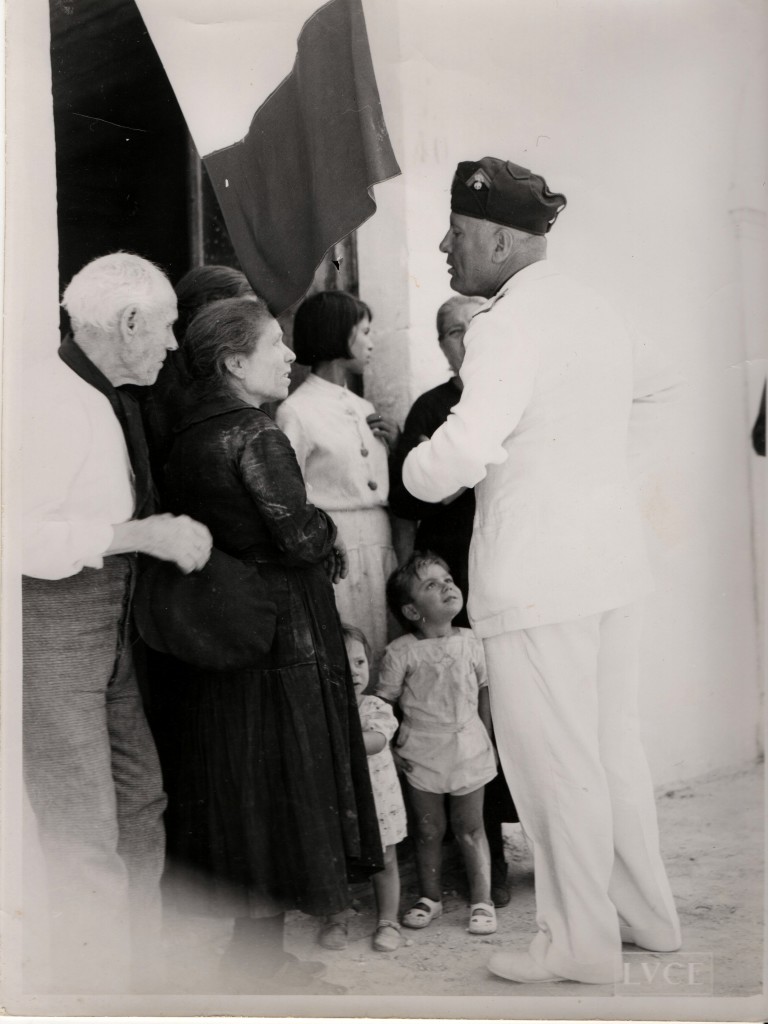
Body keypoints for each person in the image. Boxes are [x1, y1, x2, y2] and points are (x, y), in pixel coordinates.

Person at [402, 157, 682, 984]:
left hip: (536, 576)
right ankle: (645, 920)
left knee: (556, 763)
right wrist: (602, 481)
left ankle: (579, 947)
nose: (446, 249)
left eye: (455, 234)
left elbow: (464, 445)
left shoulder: (504, 323)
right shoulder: (595, 307)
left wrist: (413, 468)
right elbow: (662, 394)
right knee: (610, 750)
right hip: (609, 560)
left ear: (494, 236)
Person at [154, 295, 383, 994]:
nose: (288, 356)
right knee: (290, 785)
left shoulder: (190, 431)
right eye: (274, 345)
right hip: (284, 630)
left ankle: (252, 958)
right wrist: (329, 532)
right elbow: (300, 535)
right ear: (233, 361)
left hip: (230, 626)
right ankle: (259, 971)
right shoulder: (255, 434)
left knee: (247, 790)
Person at [22, 252, 213, 993]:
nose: (170, 347)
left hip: (109, 625)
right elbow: (17, 535)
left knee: (140, 802)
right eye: (165, 330)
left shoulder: (99, 395)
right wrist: (141, 535)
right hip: (55, 625)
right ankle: (98, 997)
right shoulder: (46, 400)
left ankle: (135, 980)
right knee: (83, 833)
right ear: (129, 322)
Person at [389, 295, 519, 907]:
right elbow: (411, 504)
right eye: (451, 334)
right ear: (440, 344)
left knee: (509, 709)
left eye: (473, 329)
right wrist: (407, 575)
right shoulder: (432, 408)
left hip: (513, 572)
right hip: (453, 581)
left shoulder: (517, 393)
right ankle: (472, 864)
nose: (463, 342)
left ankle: (515, 855)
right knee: (458, 712)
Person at [375, 552, 498, 937]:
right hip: (421, 753)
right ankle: (430, 897)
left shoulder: (472, 642)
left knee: (471, 828)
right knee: (427, 830)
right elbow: (384, 702)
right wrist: (390, 749)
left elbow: (484, 692)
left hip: (469, 748)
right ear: (412, 611)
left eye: (447, 578)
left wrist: (487, 739)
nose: (447, 585)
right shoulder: (401, 652)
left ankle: (483, 900)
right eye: (432, 584)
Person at [275, 290, 399, 666]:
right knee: (347, 649)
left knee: (383, 644)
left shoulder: (365, 409)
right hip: (337, 547)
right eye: (364, 332)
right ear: (337, 335)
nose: (371, 342)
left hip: (380, 544)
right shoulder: (296, 410)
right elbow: (290, 491)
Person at [319, 625, 407, 954]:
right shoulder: (321, 709)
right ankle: (337, 918)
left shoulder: (375, 707)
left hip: (377, 800)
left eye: (359, 662)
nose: (354, 672)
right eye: (343, 664)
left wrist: (335, 738)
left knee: (385, 858)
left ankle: (388, 921)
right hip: (339, 801)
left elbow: (377, 740)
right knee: (336, 858)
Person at [142, 264, 254, 480]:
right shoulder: (167, 383)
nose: (251, 333)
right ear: (207, 313)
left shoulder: (203, 372)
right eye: (241, 321)